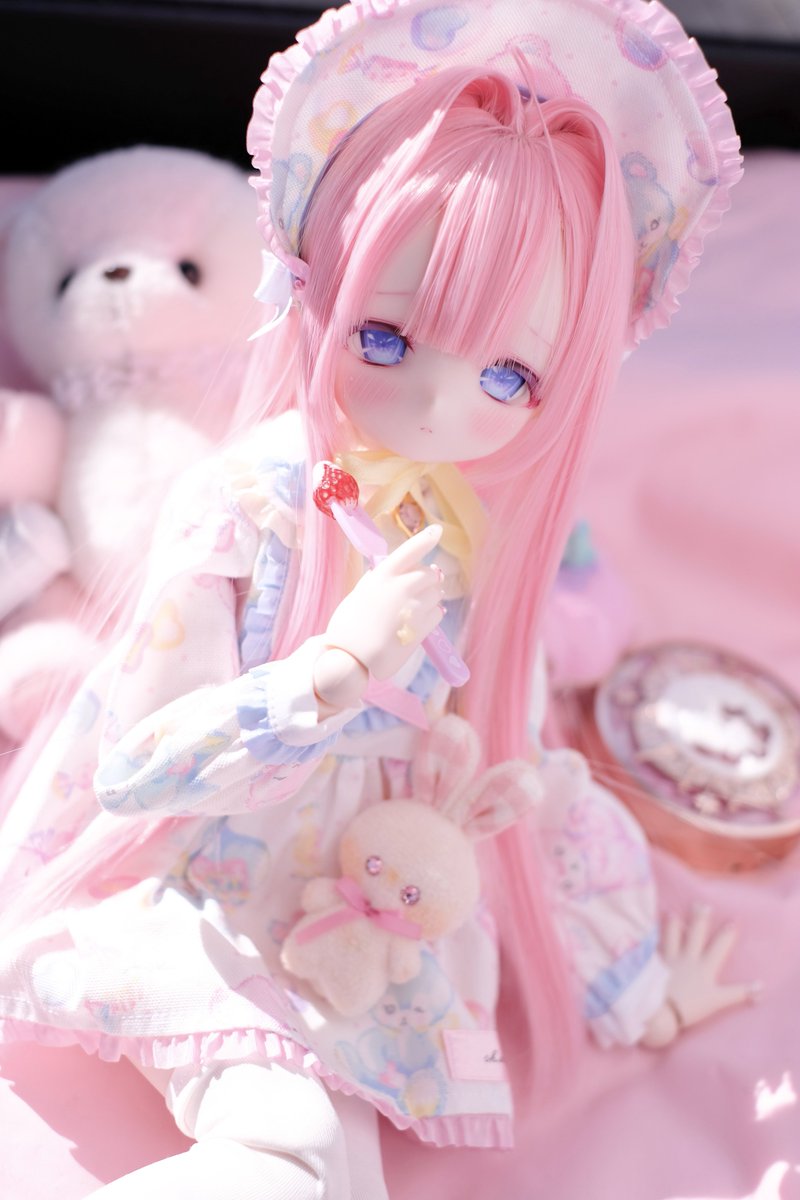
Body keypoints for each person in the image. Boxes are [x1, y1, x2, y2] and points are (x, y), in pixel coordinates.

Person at [0, 0, 752, 1196]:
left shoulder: (468, 537)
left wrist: (639, 988)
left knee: (342, 1173)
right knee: (293, 1152)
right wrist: (326, 674)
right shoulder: (249, 500)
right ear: (314, 284)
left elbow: (517, 775)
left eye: (508, 375)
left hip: (357, 916)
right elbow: (134, 766)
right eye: (388, 340)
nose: (442, 407)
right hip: (200, 883)